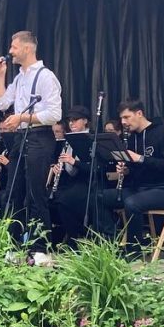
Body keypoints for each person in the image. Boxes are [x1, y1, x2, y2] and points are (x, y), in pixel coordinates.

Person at [0, 30, 63, 264]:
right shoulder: (19, 77)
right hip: (21, 139)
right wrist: (1, 76)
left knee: (36, 194)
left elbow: (54, 114)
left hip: (39, 137)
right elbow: (2, 102)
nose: (10, 51)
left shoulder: (45, 76)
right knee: (14, 192)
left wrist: (23, 118)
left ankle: (40, 249)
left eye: (13, 47)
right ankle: (13, 247)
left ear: (27, 48)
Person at [98, 99, 164, 250]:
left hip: (163, 189)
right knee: (99, 197)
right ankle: (111, 243)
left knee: (132, 203)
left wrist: (140, 158)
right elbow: (134, 169)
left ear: (139, 113)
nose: (123, 122)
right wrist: (126, 170)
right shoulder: (129, 139)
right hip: (137, 188)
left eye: (127, 117)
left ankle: (133, 250)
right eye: (121, 118)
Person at [50, 105, 94, 247]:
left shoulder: (92, 138)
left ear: (85, 121)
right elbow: (65, 164)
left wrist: (73, 161)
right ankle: (56, 238)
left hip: (87, 182)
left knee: (65, 200)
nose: (71, 123)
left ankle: (75, 239)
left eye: (75, 120)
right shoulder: (68, 139)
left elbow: (95, 168)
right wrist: (58, 169)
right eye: (70, 120)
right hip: (69, 182)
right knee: (46, 199)